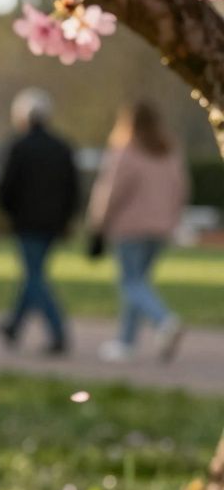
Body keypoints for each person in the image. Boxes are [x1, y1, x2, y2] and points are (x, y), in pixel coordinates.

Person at [86, 101, 188, 363]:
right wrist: (172, 221)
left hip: (130, 227)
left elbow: (111, 192)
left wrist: (98, 222)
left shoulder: (127, 152)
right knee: (139, 282)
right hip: (160, 228)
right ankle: (125, 342)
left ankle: (164, 320)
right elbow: (181, 190)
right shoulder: (169, 152)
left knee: (131, 283)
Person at [0, 88, 80, 356]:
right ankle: (14, 325)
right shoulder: (63, 147)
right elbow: (73, 189)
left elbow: (5, 189)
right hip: (53, 225)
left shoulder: (19, 147)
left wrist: (10, 212)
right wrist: (66, 218)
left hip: (27, 224)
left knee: (34, 277)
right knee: (34, 274)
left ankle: (58, 333)